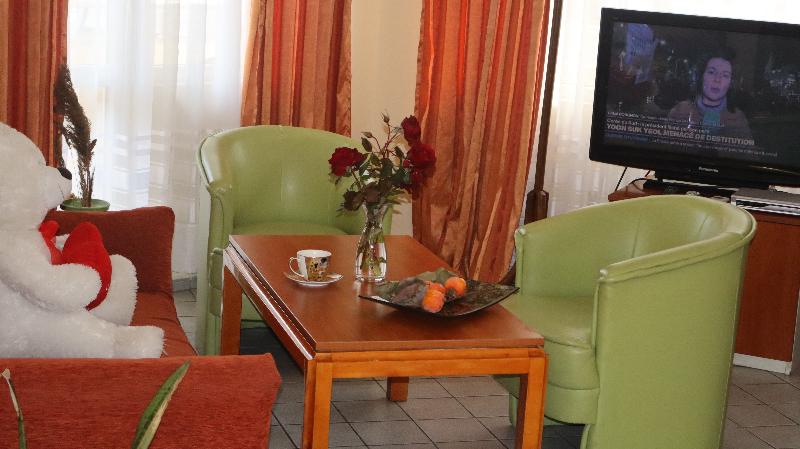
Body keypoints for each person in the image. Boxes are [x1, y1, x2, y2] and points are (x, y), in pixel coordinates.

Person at [668, 49, 752, 139]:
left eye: (725, 75)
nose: (717, 80)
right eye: (711, 72)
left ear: (731, 82)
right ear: (701, 76)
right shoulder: (679, 111)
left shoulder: (738, 118)